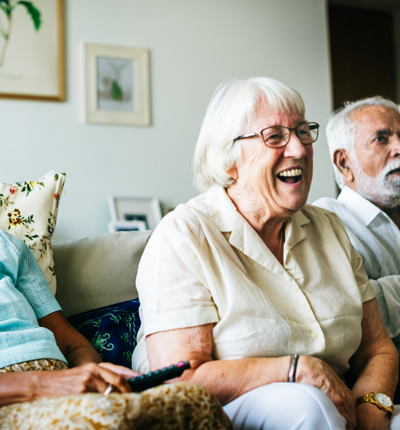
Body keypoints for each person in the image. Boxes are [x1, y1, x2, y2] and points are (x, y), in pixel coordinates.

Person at [131, 77, 400, 430]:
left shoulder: (330, 229)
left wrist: (371, 403)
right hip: (231, 410)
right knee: (309, 404)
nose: (300, 149)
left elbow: (378, 348)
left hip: (338, 403)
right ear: (228, 158)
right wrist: (297, 370)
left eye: (304, 132)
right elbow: (180, 377)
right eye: (275, 136)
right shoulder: (185, 234)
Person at [0, 229, 231, 429]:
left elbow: (73, 345)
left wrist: (95, 375)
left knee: (196, 401)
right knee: (105, 420)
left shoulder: (8, 246)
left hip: (65, 383)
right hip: (11, 396)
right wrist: (44, 384)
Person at [313, 97, 400, 360]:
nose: (398, 147)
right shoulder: (328, 220)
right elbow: (350, 315)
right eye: (381, 139)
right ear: (344, 163)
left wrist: (383, 289)